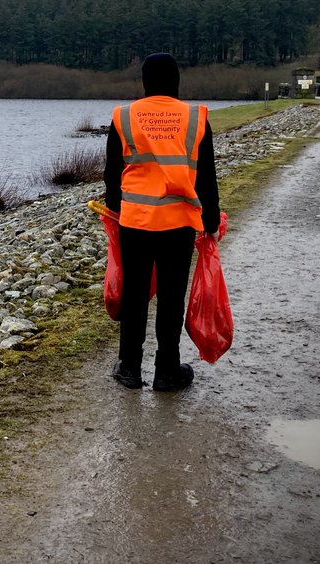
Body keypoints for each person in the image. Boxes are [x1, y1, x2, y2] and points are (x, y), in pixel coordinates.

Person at [103, 53, 221, 391]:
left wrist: (117, 208)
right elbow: (206, 178)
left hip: (136, 222)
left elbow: (113, 173)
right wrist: (210, 222)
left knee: (135, 295)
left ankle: (129, 367)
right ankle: (167, 370)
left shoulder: (124, 117)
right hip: (179, 223)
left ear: (144, 81)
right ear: (176, 81)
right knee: (171, 297)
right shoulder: (195, 118)